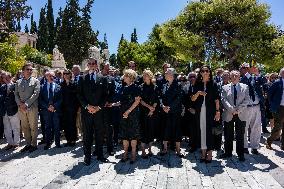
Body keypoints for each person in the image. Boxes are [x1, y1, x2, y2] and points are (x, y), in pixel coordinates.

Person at [77, 58, 109, 165]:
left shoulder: (102, 78)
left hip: (99, 112)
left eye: (93, 63)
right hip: (87, 112)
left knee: (99, 134)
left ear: (96, 65)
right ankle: (87, 156)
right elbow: (79, 95)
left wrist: (98, 107)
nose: (91, 65)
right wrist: (87, 106)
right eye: (89, 63)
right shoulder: (82, 78)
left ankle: (100, 155)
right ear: (87, 65)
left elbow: (105, 95)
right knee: (87, 135)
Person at [191, 65, 220, 163]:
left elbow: (217, 99)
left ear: (209, 72)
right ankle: (203, 153)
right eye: (202, 71)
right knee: (201, 132)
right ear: (200, 73)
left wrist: (217, 112)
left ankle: (210, 154)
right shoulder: (197, 84)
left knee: (209, 132)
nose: (205, 72)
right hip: (199, 112)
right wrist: (198, 93)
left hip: (210, 112)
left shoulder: (213, 84)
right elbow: (192, 99)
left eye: (206, 71)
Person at [220, 70, 250, 162]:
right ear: (230, 77)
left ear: (239, 77)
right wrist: (231, 110)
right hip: (229, 113)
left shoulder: (245, 87)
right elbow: (223, 99)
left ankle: (240, 154)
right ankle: (228, 152)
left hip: (241, 114)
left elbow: (247, 100)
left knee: (240, 135)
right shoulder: (224, 87)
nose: (234, 77)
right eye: (232, 75)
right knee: (228, 134)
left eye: (236, 75)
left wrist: (238, 110)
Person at [15, 63, 40, 153]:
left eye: (30, 70)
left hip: (32, 107)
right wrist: (20, 104)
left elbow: (36, 94)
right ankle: (28, 144)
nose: (29, 71)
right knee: (25, 127)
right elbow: (16, 94)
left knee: (33, 126)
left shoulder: (36, 81)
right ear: (23, 71)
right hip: (21, 108)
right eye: (27, 69)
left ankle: (34, 144)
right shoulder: (18, 82)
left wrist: (26, 104)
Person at [159, 68, 184, 158]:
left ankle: (178, 149)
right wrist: (162, 106)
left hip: (175, 111)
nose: (165, 74)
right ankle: (165, 148)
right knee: (165, 129)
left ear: (172, 75)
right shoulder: (164, 85)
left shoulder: (178, 85)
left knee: (177, 130)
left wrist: (169, 107)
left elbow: (179, 98)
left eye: (166, 72)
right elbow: (160, 97)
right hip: (165, 111)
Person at [240, 64, 264, 155]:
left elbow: (264, 81)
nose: (244, 69)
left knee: (256, 128)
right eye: (243, 68)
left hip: (257, 106)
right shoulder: (243, 79)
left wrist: (257, 73)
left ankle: (254, 147)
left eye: (246, 68)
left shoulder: (256, 78)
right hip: (246, 107)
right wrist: (248, 74)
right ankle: (245, 146)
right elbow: (243, 84)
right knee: (244, 128)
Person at [119, 69, 141, 164]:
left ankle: (133, 154)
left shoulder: (136, 87)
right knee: (124, 135)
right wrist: (113, 104)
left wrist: (128, 111)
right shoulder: (124, 87)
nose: (123, 77)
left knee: (133, 135)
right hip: (124, 114)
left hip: (132, 114)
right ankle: (125, 153)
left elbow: (137, 101)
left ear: (130, 77)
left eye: (125, 75)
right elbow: (122, 101)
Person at [39, 71, 62, 150]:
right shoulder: (42, 87)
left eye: (53, 76)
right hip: (46, 110)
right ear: (46, 77)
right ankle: (48, 143)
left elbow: (60, 99)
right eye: (49, 76)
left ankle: (58, 143)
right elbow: (40, 100)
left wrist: (54, 106)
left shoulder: (58, 86)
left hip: (56, 110)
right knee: (47, 127)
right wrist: (47, 107)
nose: (52, 77)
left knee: (57, 127)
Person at [140, 69, 159, 158]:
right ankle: (143, 150)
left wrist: (152, 109)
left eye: (146, 75)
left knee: (151, 130)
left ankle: (150, 149)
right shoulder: (140, 87)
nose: (144, 76)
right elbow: (140, 100)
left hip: (152, 112)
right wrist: (149, 107)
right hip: (143, 112)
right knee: (143, 131)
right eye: (143, 75)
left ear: (150, 76)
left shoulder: (155, 87)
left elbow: (156, 99)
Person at [0, 72, 21, 150]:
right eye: (3, 78)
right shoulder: (2, 87)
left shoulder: (15, 86)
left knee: (15, 127)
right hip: (4, 111)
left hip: (13, 110)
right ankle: (10, 143)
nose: (4, 79)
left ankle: (16, 143)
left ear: (10, 77)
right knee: (7, 128)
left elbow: (18, 97)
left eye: (6, 77)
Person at [266, 68, 284, 150]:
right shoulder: (277, 83)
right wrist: (273, 104)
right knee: (278, 127)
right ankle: (269, 141)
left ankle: (283, 145)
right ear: (281, 74)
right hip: (278, 108)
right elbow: (269, 94)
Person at [61, 69, 79, 147]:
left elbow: (77, 96)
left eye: (67, 73)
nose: (65, 75)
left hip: (73, 108)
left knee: (72, 123)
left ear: (70, 74)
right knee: (66, 124)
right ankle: (68, 140)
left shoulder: (74, 83)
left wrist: (78, 108)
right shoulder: (62, 84)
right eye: (64, 74)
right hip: (64, 108)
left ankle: (73, 140)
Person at [183, 72, 198, 152]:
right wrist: (189, 108)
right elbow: (184, 100)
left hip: (199, 111)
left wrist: (197, 110)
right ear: (188, 78)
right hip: (189, 111)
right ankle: (193, 145)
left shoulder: (200, 86)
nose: (192, 78)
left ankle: (198, 144)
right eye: (191, 76)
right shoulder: (185, 87)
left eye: (194, 76)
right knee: (191, 129)